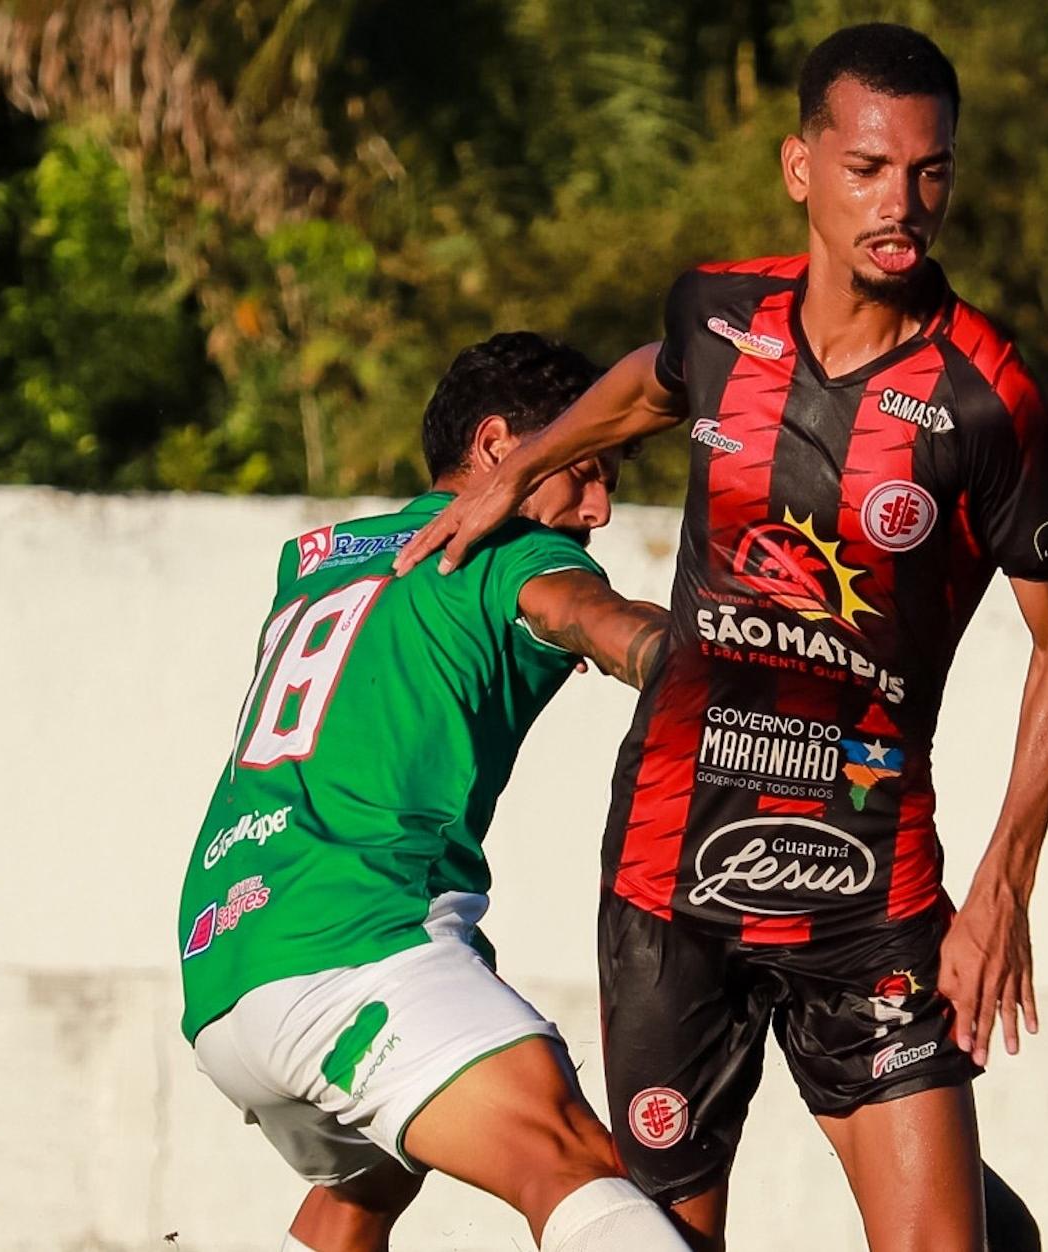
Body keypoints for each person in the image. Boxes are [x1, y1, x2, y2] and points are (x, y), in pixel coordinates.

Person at [395, 24, 1048, 1252]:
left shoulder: (987, 397)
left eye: (930, 172)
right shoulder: (722, 317)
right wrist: (528, 472)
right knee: (665, 1245)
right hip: (675, 869)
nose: (903, 203)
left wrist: (1004, 884)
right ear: (801, 165)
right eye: (870, 167)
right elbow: (651, 379)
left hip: (869, 883)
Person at [175, 332, 691, 1252]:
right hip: (355, 943)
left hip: (225, 971)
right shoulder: (502, 552)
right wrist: (702, 662)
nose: (601, 509)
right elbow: (595, 618)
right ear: (499, 449)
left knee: (364, 1194)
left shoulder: (327, 560)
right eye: (586, 469)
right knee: (577, 1168)